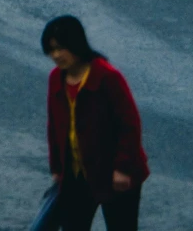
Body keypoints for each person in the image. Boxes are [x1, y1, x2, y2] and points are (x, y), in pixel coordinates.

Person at [41, 15, 149, 230]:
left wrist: (123, 168)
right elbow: (54, 125)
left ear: (76, 44)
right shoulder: (56, 78)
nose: (55, 56)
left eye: (60, 48)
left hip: (113, 172)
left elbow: (129, 124)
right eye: (51, 50)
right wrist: (57, 167)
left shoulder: (106, 77)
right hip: (76, 173)